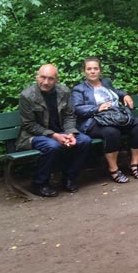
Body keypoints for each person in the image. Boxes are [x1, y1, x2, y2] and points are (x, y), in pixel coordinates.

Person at [16, 64, 92, 197]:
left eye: (50, 78)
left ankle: (69, 178)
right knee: (52, 146)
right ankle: (39, 184)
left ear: (56, 79)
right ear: (37, 76)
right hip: (33, 135)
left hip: (61, 132)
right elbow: (29, 125)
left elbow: (69, 115)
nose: (46, 82)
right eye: (43, 77)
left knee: (85, 140)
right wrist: (53, 135)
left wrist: (71, 133)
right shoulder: (27, 96)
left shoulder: (64, 91)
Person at [71, 57, 138, 183]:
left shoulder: (106, 82)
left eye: (95, 68)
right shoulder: (79, 89)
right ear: (84, 71)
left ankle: (134, 165)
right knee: (112, 132)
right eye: (89, 69)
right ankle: (114, 169)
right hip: (95, 121)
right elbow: (77, 108)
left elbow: (116, 92)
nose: (92, 71)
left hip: (117, 117)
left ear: (100, 70)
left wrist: (125, 95)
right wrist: (97, 108)